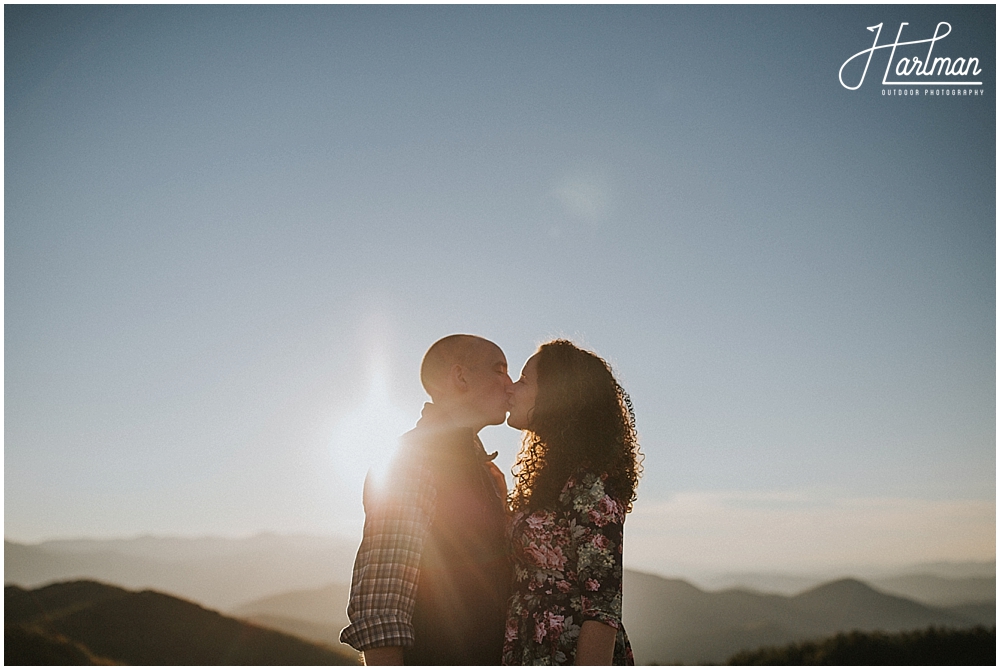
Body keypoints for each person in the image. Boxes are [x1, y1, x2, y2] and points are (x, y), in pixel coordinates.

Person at [340, 334, 514, 665]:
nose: (509, 385)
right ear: (460, 376)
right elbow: (381, 607)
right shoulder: (412, 460)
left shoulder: (488, 472)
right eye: (499, 369)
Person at [502, 340, 641, 666]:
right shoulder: (550, 479)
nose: (510, 387)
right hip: (528, 647)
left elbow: (602, 609)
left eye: (523, 380)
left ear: (556, 396)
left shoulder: (590, 487)